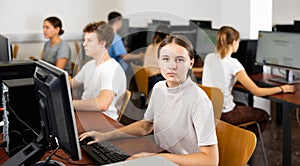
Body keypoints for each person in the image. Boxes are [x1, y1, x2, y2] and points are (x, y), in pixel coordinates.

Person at [79, 35, 219, 166]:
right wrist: (106, 136)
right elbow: (146, 126)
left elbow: (211, 160)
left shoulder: (199, 100)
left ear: (191, 63)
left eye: (180, 60)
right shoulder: (159, 88)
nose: (172, 66)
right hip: (163, 157)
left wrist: (157, 158)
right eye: (166, 59)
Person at [202, 26, 295, 134]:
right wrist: (281, 88)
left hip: (210, 111)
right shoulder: (233, 64)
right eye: (238, 41)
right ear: (233, 42)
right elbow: (257, 91)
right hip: (225, 114)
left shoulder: (209, 57)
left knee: (243, 106)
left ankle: (234, 139)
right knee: (263, 115)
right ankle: (246, 147)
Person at [71, 21, 126, 121]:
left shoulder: (111, 69)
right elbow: (71, 84)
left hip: (103, 120)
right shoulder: (90, 65)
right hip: (87, 114)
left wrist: (70, 104)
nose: (84, 44)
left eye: (89, 40)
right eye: (84, 40)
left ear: (103, 43)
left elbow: (102, 104)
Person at [143, 25, 170, 92]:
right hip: (155, 80)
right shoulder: (163, 47)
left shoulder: (150, 46)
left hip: (146, 79)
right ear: (167, 36)